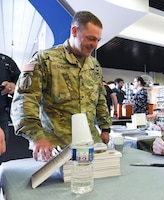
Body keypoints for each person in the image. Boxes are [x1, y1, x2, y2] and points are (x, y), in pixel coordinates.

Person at [11, 11, 112, 162]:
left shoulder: (94, 66)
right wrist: (37, 137)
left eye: (98, 40)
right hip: (56, 147)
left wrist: (105, 128)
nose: (95, 45)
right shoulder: (45, 60)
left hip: (89, 143)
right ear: (74, 31)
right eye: (91, 38)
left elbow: (100, 100)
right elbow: (24, 100)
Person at [0, 53, 20, 162]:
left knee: (1, 150)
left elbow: (21, 81)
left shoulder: (5, 61)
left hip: (1, 114)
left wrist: (13, 86)